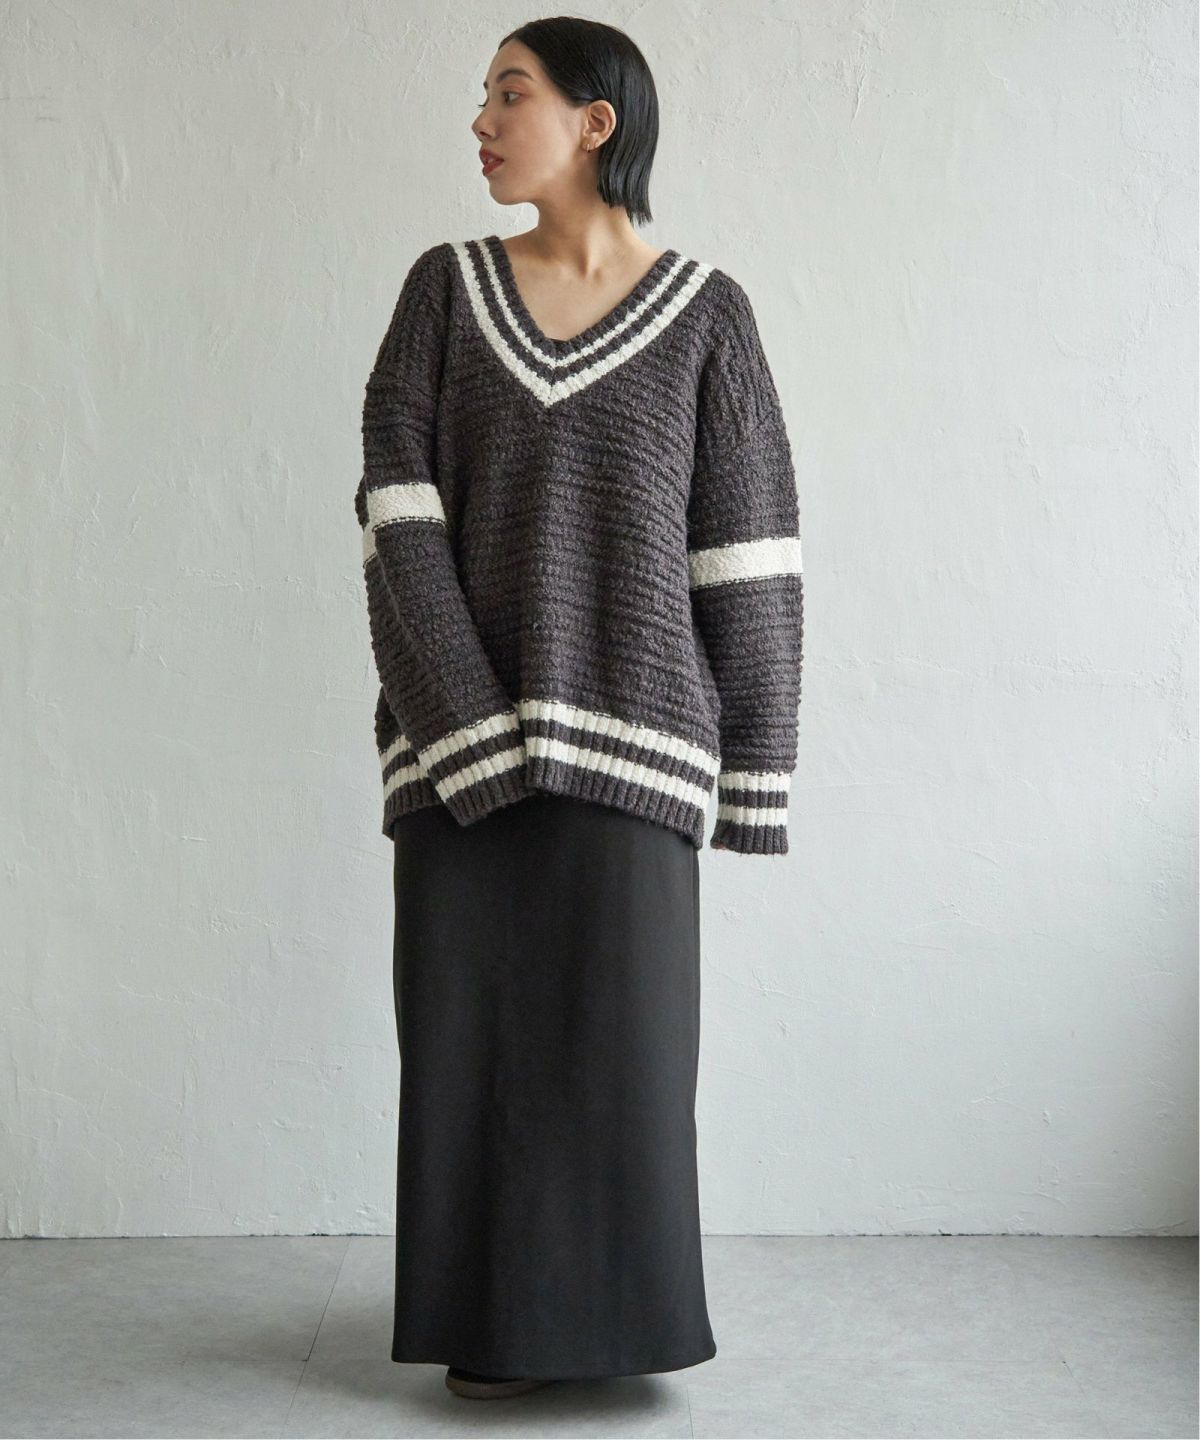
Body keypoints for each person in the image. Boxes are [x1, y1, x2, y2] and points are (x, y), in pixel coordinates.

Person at [354, 15, 805, 1402]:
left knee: (623, 1065)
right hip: (459, 762)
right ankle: (488, 1334)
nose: (482, 122)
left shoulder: (709, 316)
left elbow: (746, 549)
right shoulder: (444, 293)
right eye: (484, 96)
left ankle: (618, 1333)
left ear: (596, 120)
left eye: (512, 94)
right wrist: (464, 726)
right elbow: (397, 517)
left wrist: (756, 768)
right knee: (470, 1058)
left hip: (638, 759)